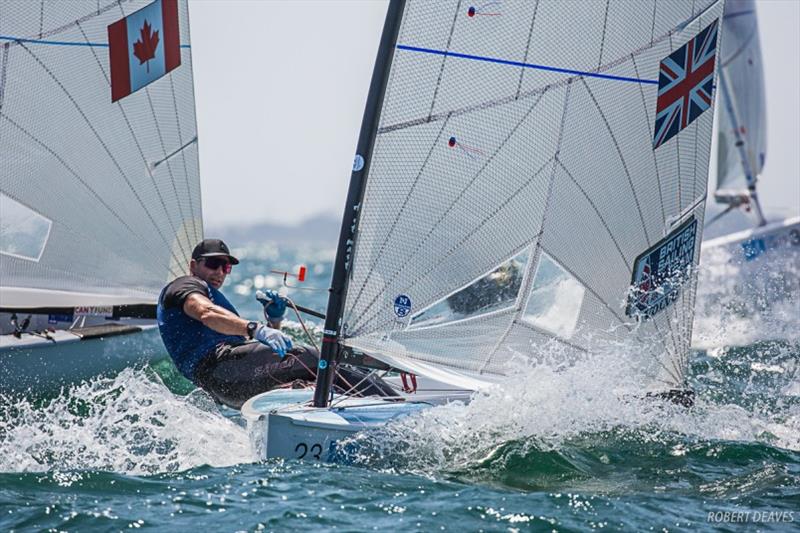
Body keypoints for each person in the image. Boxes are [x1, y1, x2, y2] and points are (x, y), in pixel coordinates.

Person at [157, 238, 396, 409]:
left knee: (313, 375)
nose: (220, 271)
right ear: (193, 265)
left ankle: (365, 409)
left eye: (226, 266)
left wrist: (273, 322)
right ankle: (392, 406)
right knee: (313, 359)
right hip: (222, 371)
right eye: (212, 264)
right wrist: (255, 328)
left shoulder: (213, 296)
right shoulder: (184, 286)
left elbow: (261, 359)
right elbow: (205, 312)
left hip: (232, 381)